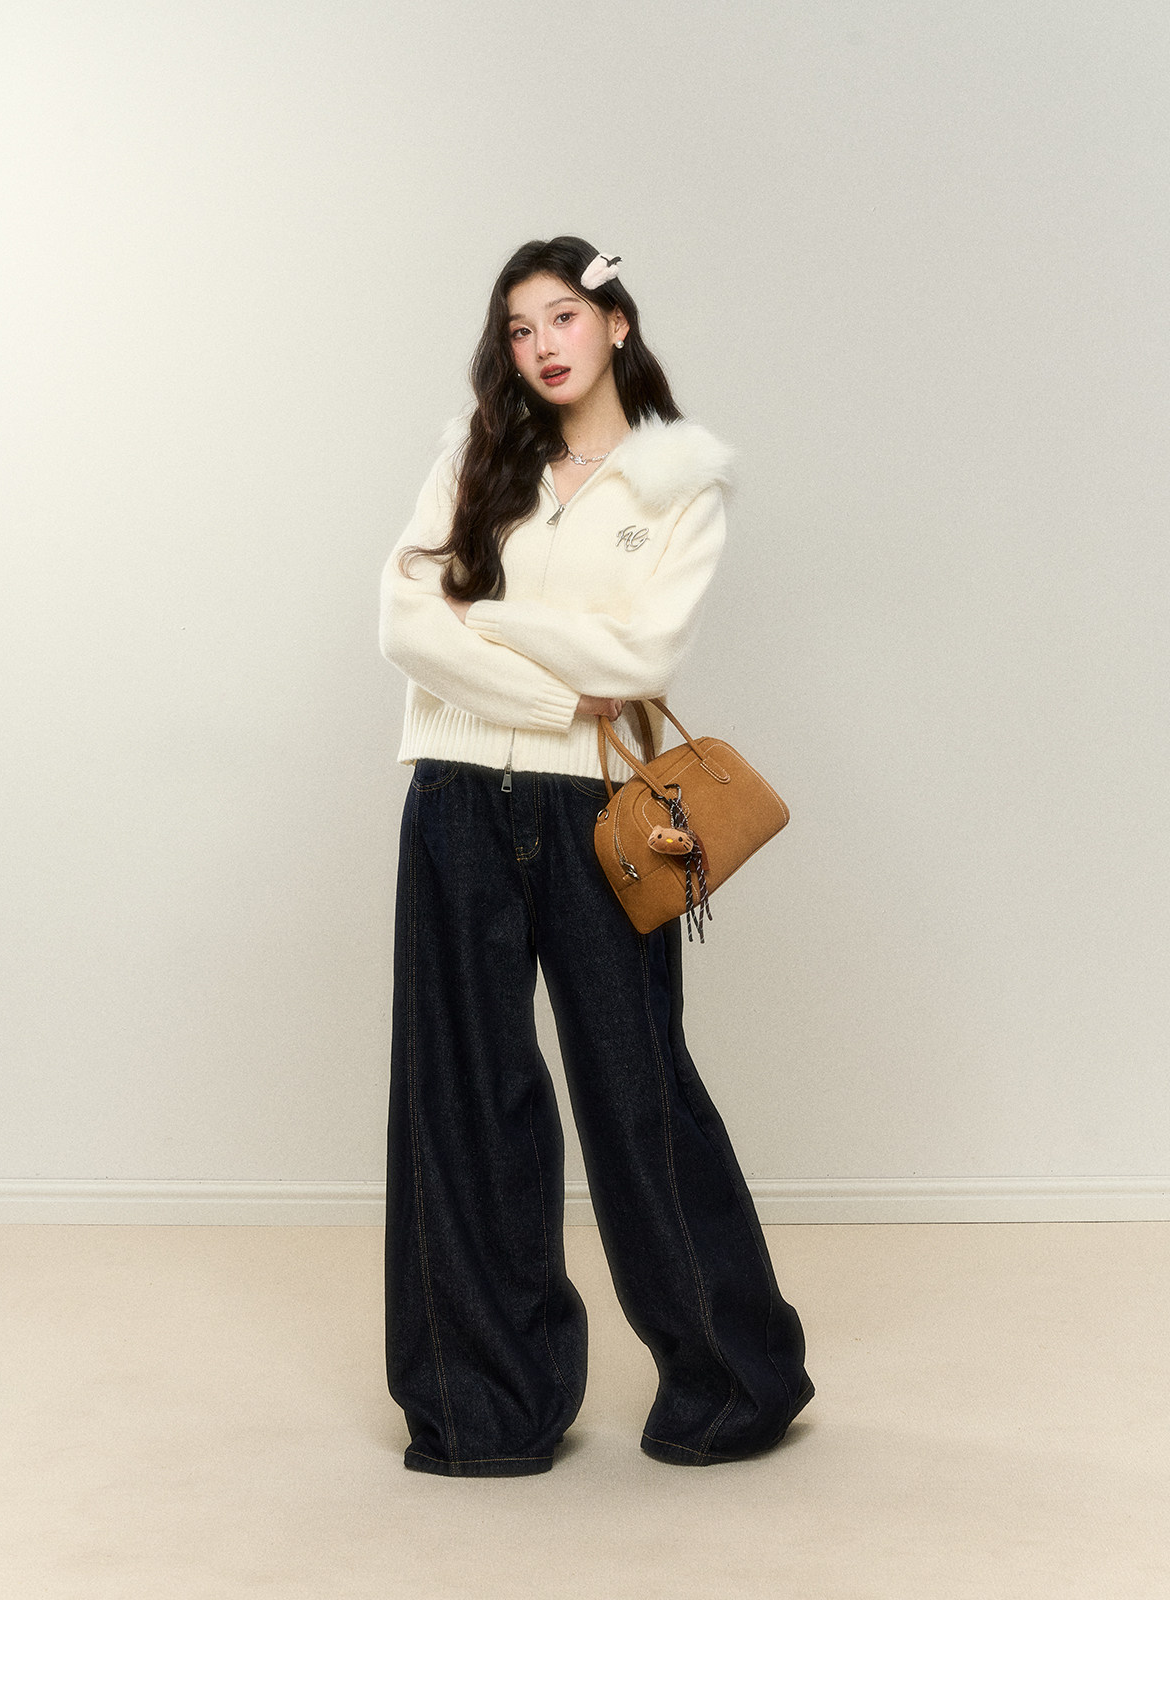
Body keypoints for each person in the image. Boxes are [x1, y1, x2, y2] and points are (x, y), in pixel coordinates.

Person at [378, 235, 813, 1477]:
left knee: (638, 1091)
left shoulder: (681, 484)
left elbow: (641, 660)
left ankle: (733, 1380)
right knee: (463, 1096)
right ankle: (483, 1405)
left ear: (616, 321)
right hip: (454, 796)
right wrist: (556, 680)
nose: (542, 345)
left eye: (563, 316)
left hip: (600, 812)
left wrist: (485, 616)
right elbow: (402, 622)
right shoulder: (476, 457)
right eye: (519, 328)